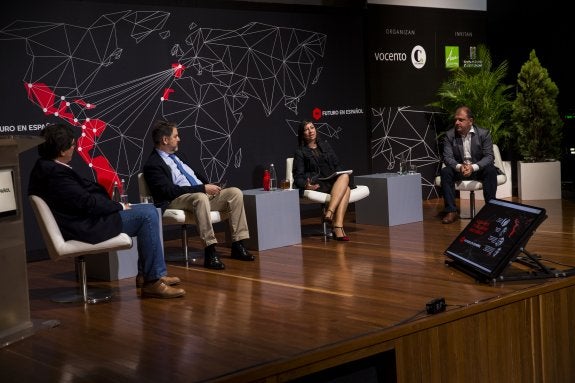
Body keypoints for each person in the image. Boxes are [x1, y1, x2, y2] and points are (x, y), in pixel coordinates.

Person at [28, 123, 185, 299]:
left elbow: (82, 200)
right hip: (84, 226)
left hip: (81, 220)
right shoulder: (55, 174)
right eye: (72, 145)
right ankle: (152, 281)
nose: (74, 149)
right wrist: (118, 206)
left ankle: (150, 274)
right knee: (147, 215)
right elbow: (87, 203)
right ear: (62, 150)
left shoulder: (45, 168)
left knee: (146, 211)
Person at [142, 120, 254, 270]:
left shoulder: (179, 156)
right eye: (176, 136)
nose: (179, 139)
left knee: (235, 193)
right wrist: (201, 188)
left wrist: (207, 187)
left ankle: (238, 245)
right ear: (165, 139)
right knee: (200, 197)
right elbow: (168, 192)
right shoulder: (153, 164)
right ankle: (210, 251)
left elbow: (194, 177)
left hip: (197, 194)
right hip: (176, 199)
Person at [292, 120, 352, 241]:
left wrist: (338, 174)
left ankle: (330, 214)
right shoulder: (300, 152)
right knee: (347, 189)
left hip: (331, 180)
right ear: (302, 134)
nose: (310, 131)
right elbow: (297, 176)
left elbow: (337, 164)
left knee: (344, 176)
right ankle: (337, 227)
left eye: (312, 128)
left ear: (316, 130)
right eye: (306, 129)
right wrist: (306, 185)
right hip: (317, 183)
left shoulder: (325, 145)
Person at [440, 105, 499, 224]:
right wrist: (460, 167)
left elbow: (489, 156)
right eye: (456, 119)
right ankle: (451, 211)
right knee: (445, 172)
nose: (457, 122)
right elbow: (447, 157)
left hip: (477, 169)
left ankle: (490, 209)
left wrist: (473, 167)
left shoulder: (483, 134)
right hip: (459, 170)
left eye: (461, 120)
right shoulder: (450, 135)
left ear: (470, 121)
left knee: (491, 170)